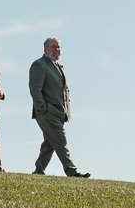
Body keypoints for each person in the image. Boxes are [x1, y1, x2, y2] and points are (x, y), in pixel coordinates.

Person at [28, 37, 89, 178]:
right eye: (53, 47)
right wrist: (43, 108)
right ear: (45, 49)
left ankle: (38, 170)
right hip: (47, 112)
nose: (57, 50)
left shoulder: (56, 66)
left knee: (50, 143)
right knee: (61, 140)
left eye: (59, 47)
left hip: (58, 113)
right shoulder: (39, 65)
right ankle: (71, 171)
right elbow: (35, 90)